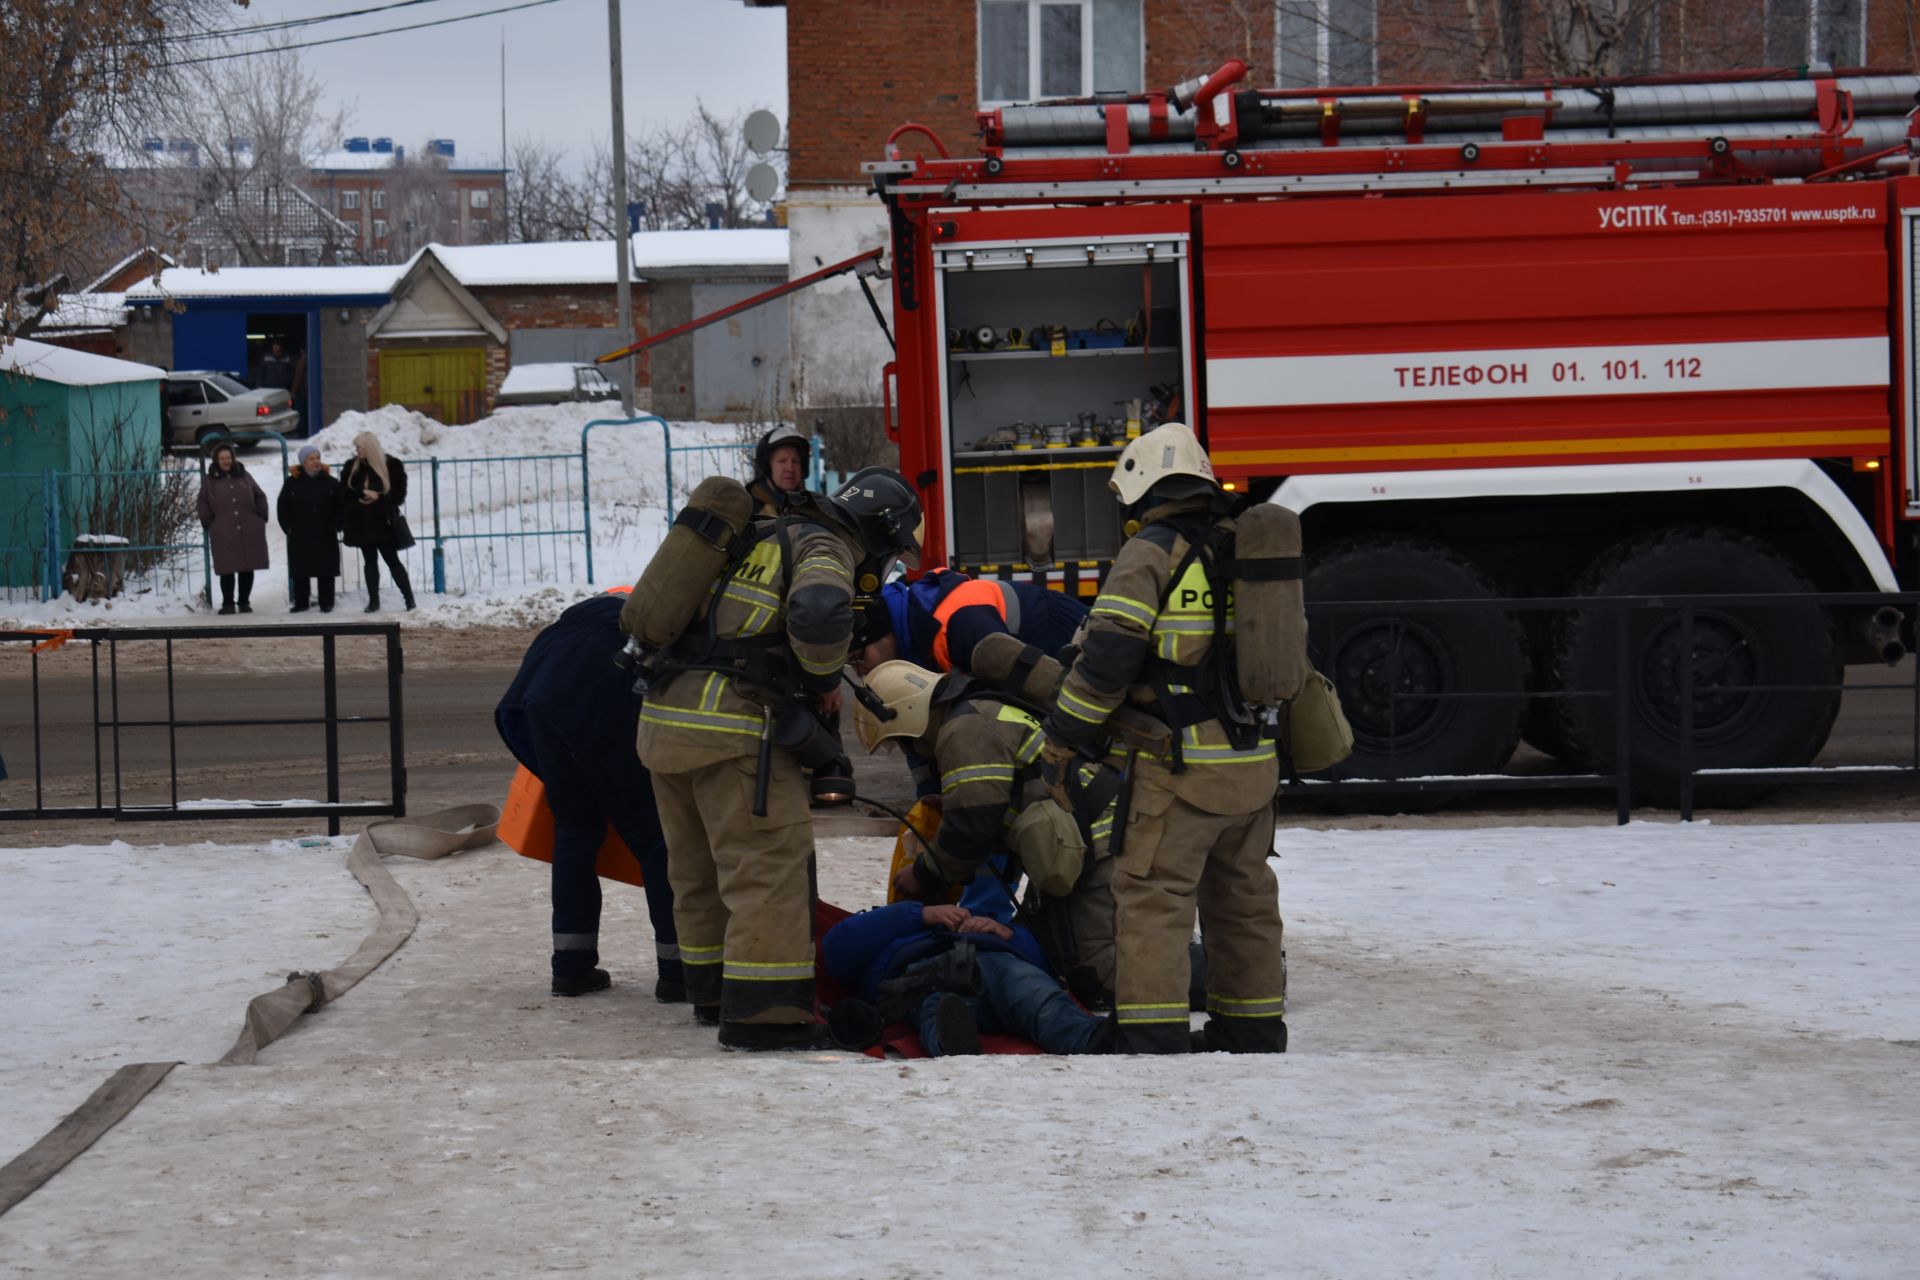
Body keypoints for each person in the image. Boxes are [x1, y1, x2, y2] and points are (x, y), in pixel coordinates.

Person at [633, 467, 924, 1051]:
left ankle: (714, 992)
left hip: (666, 723)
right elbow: (818, 612)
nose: (882, 566)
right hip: (733, 730)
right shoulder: (823, 545)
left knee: (698, 872)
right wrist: (820, 679)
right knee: (766, 868)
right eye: (890, 552)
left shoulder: (760, 536)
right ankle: (765, 1014)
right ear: (876, 531)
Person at [1039, 422, 1289, 1055]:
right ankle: (1253, 1025)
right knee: (1244, 896)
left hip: (1178, 768)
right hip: (1253, 762)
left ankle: (1150, 1032)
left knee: (1154, 895)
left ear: (1143, 488)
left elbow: (1107, 661)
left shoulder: (1151, 553)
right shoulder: (1246, 551)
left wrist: (1063, 737)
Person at [857, 658, 1120, 1008]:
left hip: (1101, 843)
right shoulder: (976, 713)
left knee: (1102, 976)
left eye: (904, 741)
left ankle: (1204, 975)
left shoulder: (964, 729)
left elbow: (972, 828)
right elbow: (994, 806)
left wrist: (922, 874)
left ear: (910, 715)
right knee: (1059, 959)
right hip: (1083, 838)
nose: (909, 750)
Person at [496, 592, 680, 1000]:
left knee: (576, 831)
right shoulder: (665, 622)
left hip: (540, 694)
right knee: (653, 835)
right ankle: (679, 970)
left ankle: (572, 968)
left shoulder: (618, 606)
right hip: (598, 692)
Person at [822, 900, 1110, 1057]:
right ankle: (953, 1045)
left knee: (1035, 993)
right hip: (927, 972)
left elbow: (1043, 963)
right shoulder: (893, 929)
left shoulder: (992, 929)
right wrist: (917, 914)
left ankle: (1091, 1039)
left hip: (997, 960)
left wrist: (1007, 934)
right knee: (938, 1005)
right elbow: (837, 947)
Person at [852, 568, 1089, 678]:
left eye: (859, 658)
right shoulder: (921, 631)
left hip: (1066, 640)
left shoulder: (958, 624)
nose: (860, 670)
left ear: (884, 634)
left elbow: (1033, 687)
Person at [340, 431, 416, 612]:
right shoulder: (352, 467)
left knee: (392, 561)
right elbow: (343, 492)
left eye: (359, 447)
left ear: (369, 448)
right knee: (369, 562)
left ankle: (409, 598)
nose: (357, 451)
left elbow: (398, 496)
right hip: (362, 523)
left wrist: (379, 496)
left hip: (384, 522)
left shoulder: (392, 465)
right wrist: (360, 493)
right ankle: (373, 601)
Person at [196, 442, 269, 615]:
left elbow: (260, 496)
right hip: (223, 531)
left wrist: (260, 516)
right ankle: (228, 603)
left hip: (248, 527)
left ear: (233, 459)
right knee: (226, 568)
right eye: (222, 458)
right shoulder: (209, 481)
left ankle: (244, 602)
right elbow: (202, 504)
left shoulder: (245, 476)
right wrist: (210, 522)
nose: (225, 461)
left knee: (247, 566)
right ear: (216, 460)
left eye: (228, 458)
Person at [277, 444, 343, 613]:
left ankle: (326, 602)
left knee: (326, 568)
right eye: (311, 459)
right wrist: (288, 528)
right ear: (303, 462)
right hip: (300, 533)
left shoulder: (331, 482)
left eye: (318, 458)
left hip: (325, 532)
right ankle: (301, 602)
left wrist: (337, 523)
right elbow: (283, 507)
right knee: (301, 569)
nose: (316, 462)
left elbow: (340, 506)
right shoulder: (292, 483)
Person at [748, 424, 812, 515]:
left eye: (795, 461)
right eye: (782, 461)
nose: (790, 468)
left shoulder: (813, 507)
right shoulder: (746, 512)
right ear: (766, 467)